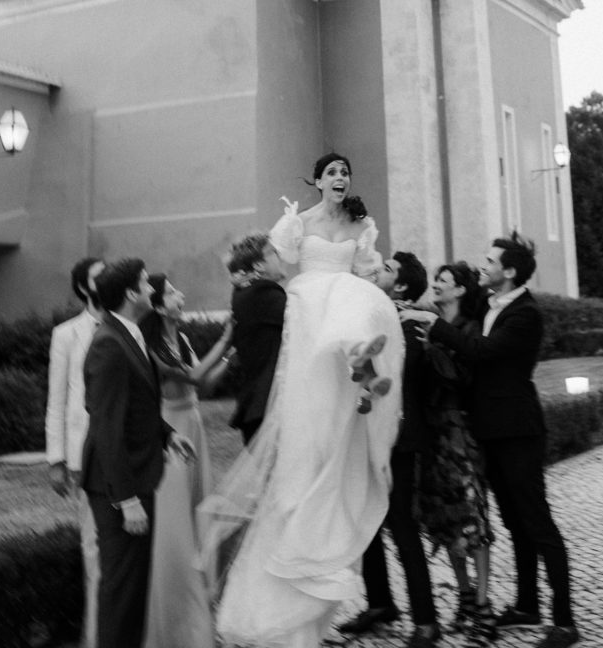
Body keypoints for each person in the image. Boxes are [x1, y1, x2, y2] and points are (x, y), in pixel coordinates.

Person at [201, 151, 404, 648]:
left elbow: (369, 275)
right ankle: (359, 368)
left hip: (346, 307)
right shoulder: (298, 222)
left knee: (359, 301)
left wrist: (380, 279)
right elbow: (261, 264)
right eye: (332, 172)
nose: (340, 177)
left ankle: (361, 373)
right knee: (338, 312)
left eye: (345, 172)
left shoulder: (362, 225)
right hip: (311, 313)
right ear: (317, 180)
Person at [404, 233, 580, 648]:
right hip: (491, 432)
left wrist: (436, 325)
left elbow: (483, 352)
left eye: (490, 261)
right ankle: (526, 605)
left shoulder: (525, 313)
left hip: (518, 431)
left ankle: (566, 621)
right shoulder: (491, 306)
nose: (483, 265)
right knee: (515, 523)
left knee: (538, 524)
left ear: (511, 271)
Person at [81, 258, 194, 648]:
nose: (152, 289)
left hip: (136, 474)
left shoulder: (127, 333)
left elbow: (135, 405)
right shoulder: (109, 344)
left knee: (133, 589)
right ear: (131, 294)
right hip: (118, 486)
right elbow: (106, 427)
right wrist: (126, 499)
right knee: (122, 591)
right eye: (146, 283)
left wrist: (167, 435)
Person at [339, 251, 440, 648]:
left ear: (399, 286)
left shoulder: (411, 326)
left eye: (387, 270)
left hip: (399, 437)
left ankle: (427, 621)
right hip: (363, 432)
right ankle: (380, 603)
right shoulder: (369, 317)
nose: (377, 272)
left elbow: (405, 381)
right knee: (366, 521)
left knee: (401, 526)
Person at [141, 272, 233, 648]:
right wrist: (227, 336)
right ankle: (175, 617)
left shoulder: (180, 337)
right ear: (160, 305)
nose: (182, 295)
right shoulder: (151, 346)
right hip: (171, 431)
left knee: (199, 513)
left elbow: (207, 386)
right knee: (175, 521)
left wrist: (230, 355)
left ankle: (199, 599)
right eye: (173, 292)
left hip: (193, 426)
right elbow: (193, 376)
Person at [418, 262, 495, 646]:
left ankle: (484, 607)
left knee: (472, 520)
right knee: (446, 519)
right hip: (433, 433)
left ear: (460, 290)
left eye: (442, 281)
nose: (435, 285)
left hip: (460, 433)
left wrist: (430, 346)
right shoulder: (429, 324)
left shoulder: (469, 329)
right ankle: (464, 597)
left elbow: (460, 376)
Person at [45, 256, 105, 648]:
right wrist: (56, 459)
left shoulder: (134, 326)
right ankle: (97, 635)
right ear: (84, 288)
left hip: (128, 453)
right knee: (94, 545)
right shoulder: (67, 334)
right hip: (86, 454)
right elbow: (57, 399)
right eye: (101, 277)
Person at [226, 232, 287, 444]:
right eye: (273, 252)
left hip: (256, 409)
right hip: (267, 409)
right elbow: (305, 324)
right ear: (259, 266)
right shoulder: (265, 294)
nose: (280, 256)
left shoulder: (247, 293)